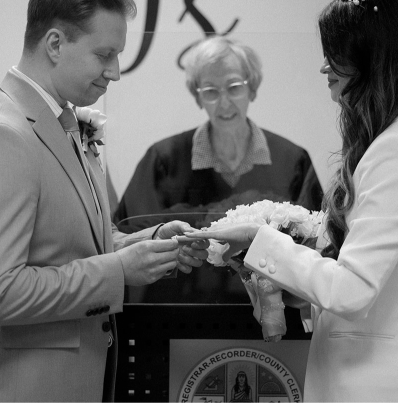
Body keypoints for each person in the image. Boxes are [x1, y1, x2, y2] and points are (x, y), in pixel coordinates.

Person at [187, 0, 398, 401]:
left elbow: (351, 291)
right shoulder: (396, 140)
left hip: (380, 386)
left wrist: (259, 241)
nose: (324, 68)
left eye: (334, 55)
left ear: (372, 58)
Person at [0, 0, 209, 402]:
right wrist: (120, 273)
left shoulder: (62, 123)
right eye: (105, 55)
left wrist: (151, 244)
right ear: (54, 44)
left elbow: (71, 249)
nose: (116, 72)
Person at [114, 36, 322, 304]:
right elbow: (131, 234)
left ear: (253, 89)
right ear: (198, 97)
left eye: (234, 87)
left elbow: (317, 244)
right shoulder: (164, 158)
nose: (224, 102)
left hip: (269, 320)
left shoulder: (291, 159)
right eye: (211, 91)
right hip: (180, 316)